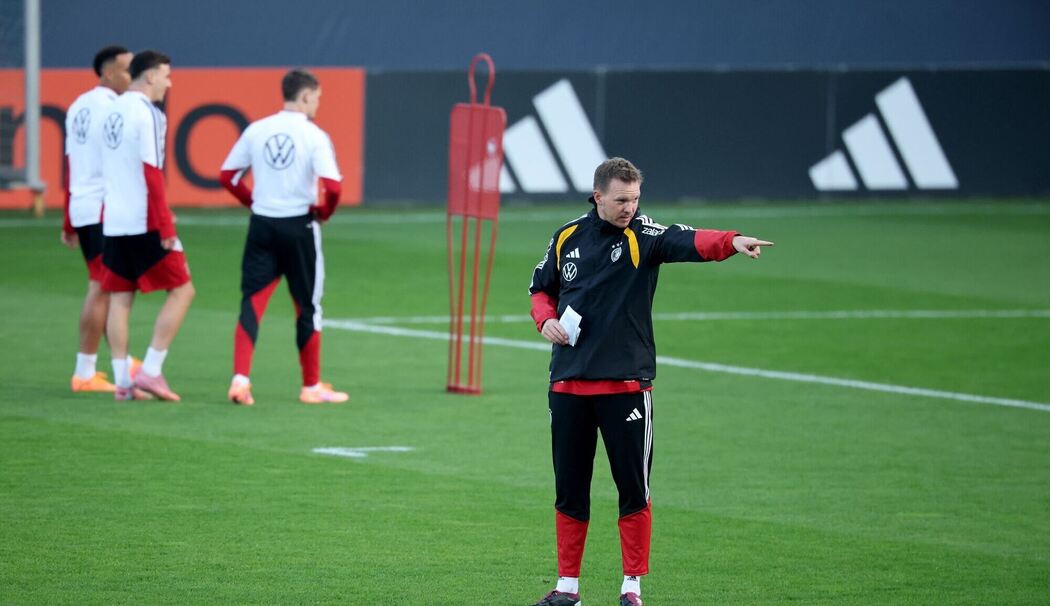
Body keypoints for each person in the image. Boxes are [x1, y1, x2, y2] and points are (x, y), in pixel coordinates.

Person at [527, 158, 773, 606]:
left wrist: (733, 241)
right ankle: (567, 588)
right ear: (597, 196)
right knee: (570, 490)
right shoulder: (567, 237)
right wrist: (544, 319)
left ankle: (631, 586)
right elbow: (541, 289)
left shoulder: (644, 235)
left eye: (636, 199)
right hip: (567, 384)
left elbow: (689, 240)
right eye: (622, 200)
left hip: (626, 388)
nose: (630, 208)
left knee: (633, 489)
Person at [219, 68, 348, 406]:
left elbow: (228, 176)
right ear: (305, 97)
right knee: (307, 307)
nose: (318, 105)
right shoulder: (314, 135)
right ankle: (310, 386)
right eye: (317, 98)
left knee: (253, 302)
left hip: (262, 224)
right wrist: (324, 212)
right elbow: (333, 187)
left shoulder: (257, 129)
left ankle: (240, 379)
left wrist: (253, 202)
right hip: (299, 228)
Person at [100, 50, 195, 401]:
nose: (169, 83)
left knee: (120, 299)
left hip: (114, 221)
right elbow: (152, 174)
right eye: (167, 76)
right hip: (144, 221)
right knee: (183, 290)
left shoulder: (111, 112)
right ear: (151, 76)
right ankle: (152, 371)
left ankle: (123, 383)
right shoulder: (149, 115)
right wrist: (166, 225)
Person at [62, 45, 134, 393]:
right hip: (103, 205)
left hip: (83, 203)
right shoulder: (116, 110)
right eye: (126, 70)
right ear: (107, 73)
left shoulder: (78, 106)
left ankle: (118, 359)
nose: (131, 76)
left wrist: (68, 218)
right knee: (104, 286)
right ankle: (85, 371)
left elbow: (72, 162)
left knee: (107, 284)